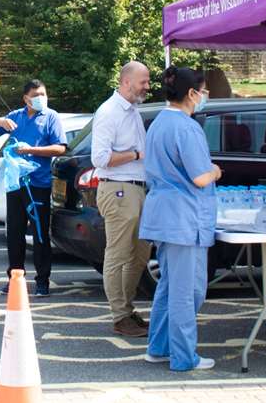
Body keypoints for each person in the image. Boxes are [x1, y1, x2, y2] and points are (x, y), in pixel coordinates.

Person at [139, 65, 221, 371]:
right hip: (184, 218)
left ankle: (158, 347)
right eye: (202, 90)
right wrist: (215, 170)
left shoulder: (160, 122)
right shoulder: (186, 127)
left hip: (165, 215)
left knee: (169, 287)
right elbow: (200, 177)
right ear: (191, 93)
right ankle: (184, 357)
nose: (204, 96)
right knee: (187, 292)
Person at [0, 79, 68, 296]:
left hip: (38, 183)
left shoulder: (51, 117)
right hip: (15, 183)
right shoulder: (16, 117)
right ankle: (15, 277)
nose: (41, 98)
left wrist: (32, 150)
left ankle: (42, 281)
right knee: (14, 233)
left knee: (39, 233)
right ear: (26, 98)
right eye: (36, 95)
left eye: (44, 94)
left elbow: (60, 148)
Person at [90, 61, 151, 338]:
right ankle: (119, 315)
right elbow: (100, 159)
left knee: (140, 254)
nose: (147, 86)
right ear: (126, 82)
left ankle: (127, 310)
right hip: (118, 189)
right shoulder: (109, 112)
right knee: (117, 255)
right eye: (144, 81)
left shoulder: (133, 110)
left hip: (136, 188)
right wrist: (136, 155)